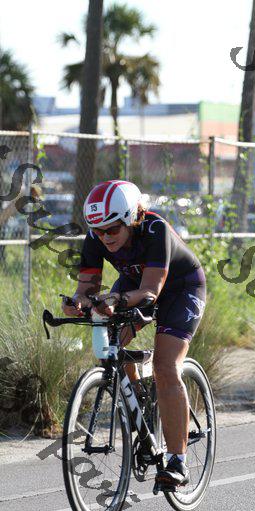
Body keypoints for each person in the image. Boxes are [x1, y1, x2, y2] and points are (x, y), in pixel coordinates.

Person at [62, 180, 206, 489]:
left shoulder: (155, 229)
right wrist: (77, 303)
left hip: (180, 288)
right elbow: (86, 289)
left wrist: (113, 299)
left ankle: (177, 461)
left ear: (132, 218)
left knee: (166, 367)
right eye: (98, 231)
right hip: (133, 286)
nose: (104, 237)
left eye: (112, 229)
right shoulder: (96, 236)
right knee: (110, 345)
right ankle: (141, 403)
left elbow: (151, 290)